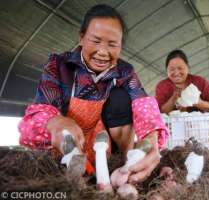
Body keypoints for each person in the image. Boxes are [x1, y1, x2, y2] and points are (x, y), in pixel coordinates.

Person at [18, 4, 168, 185]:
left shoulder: (124, 72)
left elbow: (142, 102)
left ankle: (126, 164)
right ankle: (70, 168)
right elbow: (42, 110)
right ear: (81, 38)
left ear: (120, 47)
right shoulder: (58, 66)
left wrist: (151, 138)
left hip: (100, 139)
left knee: (120, 98)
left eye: (112, 44)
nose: (103, 52)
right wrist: (57, 123)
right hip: (65, 143)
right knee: (68, 176)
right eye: (96, 41)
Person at [155, 49, 209, 126]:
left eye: (180, 68)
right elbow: (158, 112)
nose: (176, 73)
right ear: (167, 70)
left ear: (187, 68)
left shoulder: (200, 82)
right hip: (173, 126)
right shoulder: (162, 86)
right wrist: (173, 98)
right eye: (171, 69)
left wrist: (198, 102)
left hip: (198, 126)